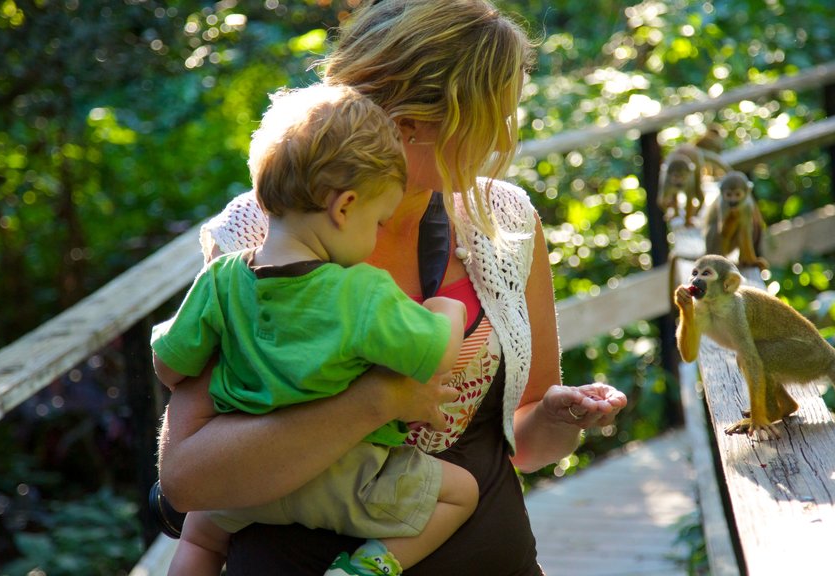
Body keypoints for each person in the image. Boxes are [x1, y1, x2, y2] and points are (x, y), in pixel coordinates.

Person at [155, 1, 629, 574]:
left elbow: (524, 446)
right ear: (411, 124)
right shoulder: (255, 232)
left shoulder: (505, 222)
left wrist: (556, 417)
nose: (505, 137)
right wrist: (375, 402)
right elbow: (187, 479)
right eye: (493, 115)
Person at [150, 84, 477, 576]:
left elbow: (170, 365)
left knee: (198, 534)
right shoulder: (361, 291)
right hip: (344, 478)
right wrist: (444, 311)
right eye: (377, 221)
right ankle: (364, 570)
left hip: (246, 483)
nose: (374, 238)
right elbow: (435, 356)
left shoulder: (220, 278)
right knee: (461, 494)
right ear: (343, 207)